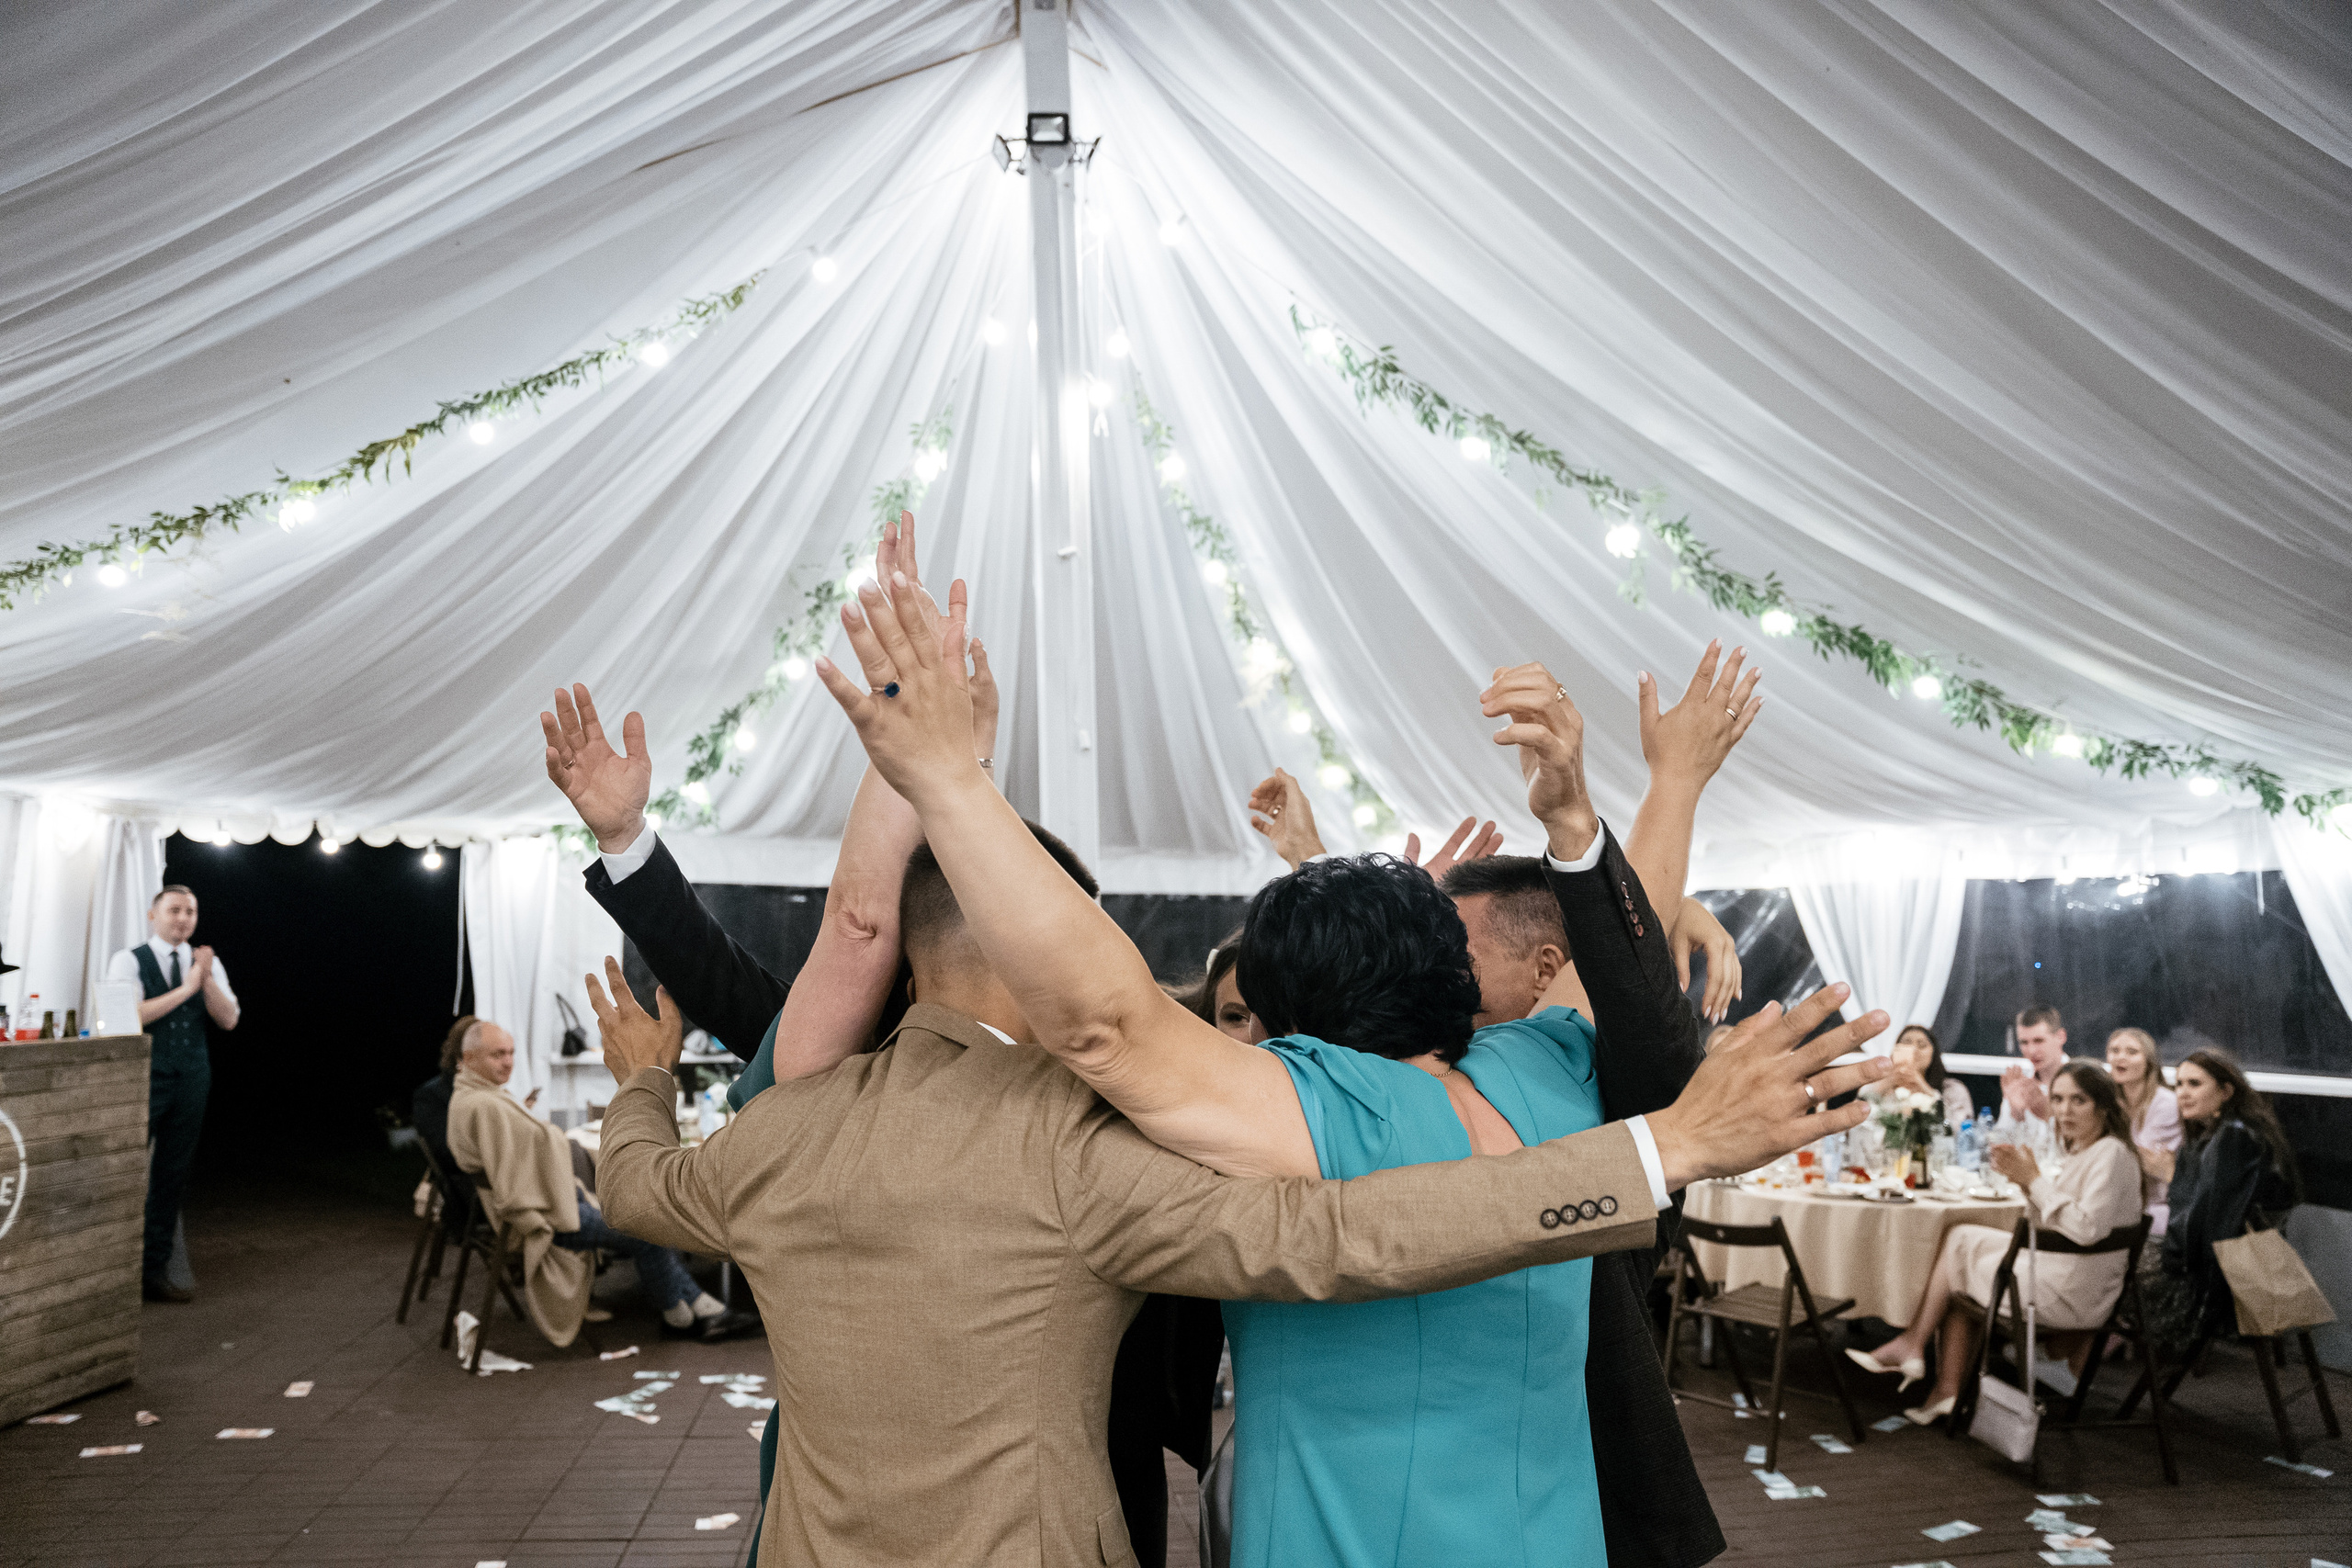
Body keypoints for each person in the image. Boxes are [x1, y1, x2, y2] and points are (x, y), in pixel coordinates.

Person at [668, 558, 1881, 1562]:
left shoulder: (1296, 1108)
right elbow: (1611, 945)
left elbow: (1103, 1016)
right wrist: (1634, 793)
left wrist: (944, 777)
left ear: (1281, 1008)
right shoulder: (1553, 1072)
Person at [1848, 1060, 2143, 1423]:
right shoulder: (2085, 1150)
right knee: (1960, 1237)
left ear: (2103, 1106)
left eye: (2078, 1101)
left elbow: (2085, 1229)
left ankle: (1926, 1363)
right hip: (2070, 1271)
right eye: (2059, 1099)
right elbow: (2059, 1222)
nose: (2064, 1110)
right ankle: (1930, 1370)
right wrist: (2024, 1181)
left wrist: (2033, 1180)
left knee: (1958, 1279)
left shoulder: (2111, 1154)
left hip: (2074, 1291)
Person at [444, 1018, 752, 1342]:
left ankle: (693, 1308)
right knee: (644, 1226)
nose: (507, 1062)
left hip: (547, 1206)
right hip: (544, 1219)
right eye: (497, 1055)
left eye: (510, 1053)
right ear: (469, 1058)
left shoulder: (471, 1097)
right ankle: (682, 1314)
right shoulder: (485, 1106)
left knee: (643, 1215)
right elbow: (513, 1188)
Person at [106, 885, 239, 1303]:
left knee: (171, 1173)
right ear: (153, 914)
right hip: (145, 1075)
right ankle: (112, 1271)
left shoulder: (205, 962)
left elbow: (229, 1019)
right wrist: (186, 988)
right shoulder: (129, 959)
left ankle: (154, 1270)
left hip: (192, 1076)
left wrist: (205, 977)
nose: (183, 918)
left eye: (191, 912)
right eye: (175, 910)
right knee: (127, 1169)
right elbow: (126, 1016)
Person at [2134, 1048, 2303, 1347]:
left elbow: (2207, 1229)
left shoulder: (2231, 1139)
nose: (2183, 1094)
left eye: (2195, 1084)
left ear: (2225, 1091)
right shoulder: (2232, 1134)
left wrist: (2174, 1175)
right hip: (2229, 1272)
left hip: (2215, 1288)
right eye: (2179, 1085)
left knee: (2110, 1270)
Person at [2104, 1026, 2183, 1234]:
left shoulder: (2166, 1103)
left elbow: (2142, 1163)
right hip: (2122, 1200)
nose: (2121, 1058)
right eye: (2114, 1051)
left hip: (2159, 1206)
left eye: (2132, 1052)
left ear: (2149, 1062)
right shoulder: (2111, 1101)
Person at [1862, 1024, 1973, 1130]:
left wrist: (1923, 1087)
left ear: (1933, 1053)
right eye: (1906, 1044)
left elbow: (1960, 1128)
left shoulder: (1952, 1089)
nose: (1914, 1050)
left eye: (1922, 1045)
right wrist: (1886, 1084)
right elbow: (1858, 1122)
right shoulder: (1877, 1087)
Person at [1994, 1003, 2070, 1154]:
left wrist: (2047, 1113)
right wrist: (2016, 1114)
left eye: (2039, 1041)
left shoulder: (2083, 1083)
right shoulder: (2021, 1086)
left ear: (2060, 1037)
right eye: (2024, 1042)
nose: (2031, 1051)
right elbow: (2001, 1148)